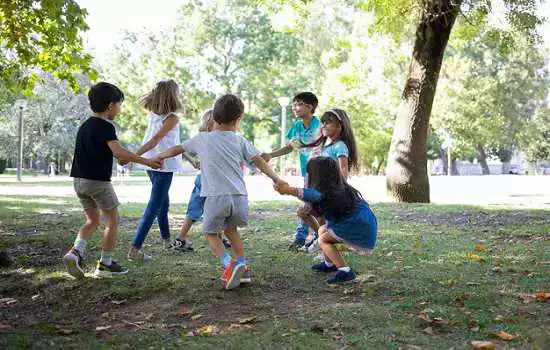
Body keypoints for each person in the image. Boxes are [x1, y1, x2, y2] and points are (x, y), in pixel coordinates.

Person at [155, 94, 286, 289]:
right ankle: (243, 266)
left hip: (216, 197)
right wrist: (277, 179)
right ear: (238, 118)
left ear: (214, 117)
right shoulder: (240, 140)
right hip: (239, 197)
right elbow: (259, 160)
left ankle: (229, 265)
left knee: (210, 232)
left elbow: (178, 148)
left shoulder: (202, 138)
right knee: (231, 230)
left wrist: (161, 155)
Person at [62, 82, 162, 279]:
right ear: (110, 106)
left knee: (92, 220)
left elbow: (112, 154)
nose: (119, 108)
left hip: (79, 182)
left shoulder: (85, 126)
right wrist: (146, 161)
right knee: (113, 221)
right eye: (119, 104)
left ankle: (75, 253)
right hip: (98, 183)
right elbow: (117, 151)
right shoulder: (106, 126)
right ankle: (105, 264)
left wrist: (125, 158)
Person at [274, 157, 377, 284]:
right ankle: (329, 264)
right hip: (361, 223)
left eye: (308, 174)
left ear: (318, 176)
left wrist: (288, 190)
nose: (306, 177)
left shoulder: (329, 193)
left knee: (323, 240)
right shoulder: (336, 190)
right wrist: (308, 215)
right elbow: (321, 226)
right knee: (323, 232)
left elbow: (313, 194)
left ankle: (345, 271)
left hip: (357, 225)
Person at [126, 80, 191, 261]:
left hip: (152, 163)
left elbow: (174, 143)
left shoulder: (154, 115)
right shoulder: (171, 118)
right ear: (172, 95)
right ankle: (135, 249)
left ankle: (166, 240)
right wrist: (133, 156)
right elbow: (155, 140)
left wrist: (191, 160)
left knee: (163, 203)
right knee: (154, 205)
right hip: (163, 164)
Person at [261, 92, 321, 250]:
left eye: (298, 104)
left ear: (310, 107)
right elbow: (290, 147)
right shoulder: (297, 127)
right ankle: (316, 235)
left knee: (310, 205)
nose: (294, 107)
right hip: (307, 173)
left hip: (323, 173)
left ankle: (304, 237)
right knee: (309, 204)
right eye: (293, 104)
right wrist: (270, 155)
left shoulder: (320, 125)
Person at [298, 108, 359, 252]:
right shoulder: (326, 146)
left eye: (328, 123)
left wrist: (341, 189)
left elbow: (343, 169)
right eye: (322, 122)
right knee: (306, 212)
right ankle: (320, 239)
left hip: (331, 191)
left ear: (339, 126)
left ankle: (324, 244)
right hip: (319, 189)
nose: (323, 125)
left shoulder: (340, 146)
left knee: (323, 219)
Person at [170, 109, 232, 252]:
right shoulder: (219, 138)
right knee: (214, 209)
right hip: (209, 180)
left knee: (196, 209)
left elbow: (184, 149)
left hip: (205, 179)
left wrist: (196, 162)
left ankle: (182, 237)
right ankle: (182, 238)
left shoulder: (203, 138)